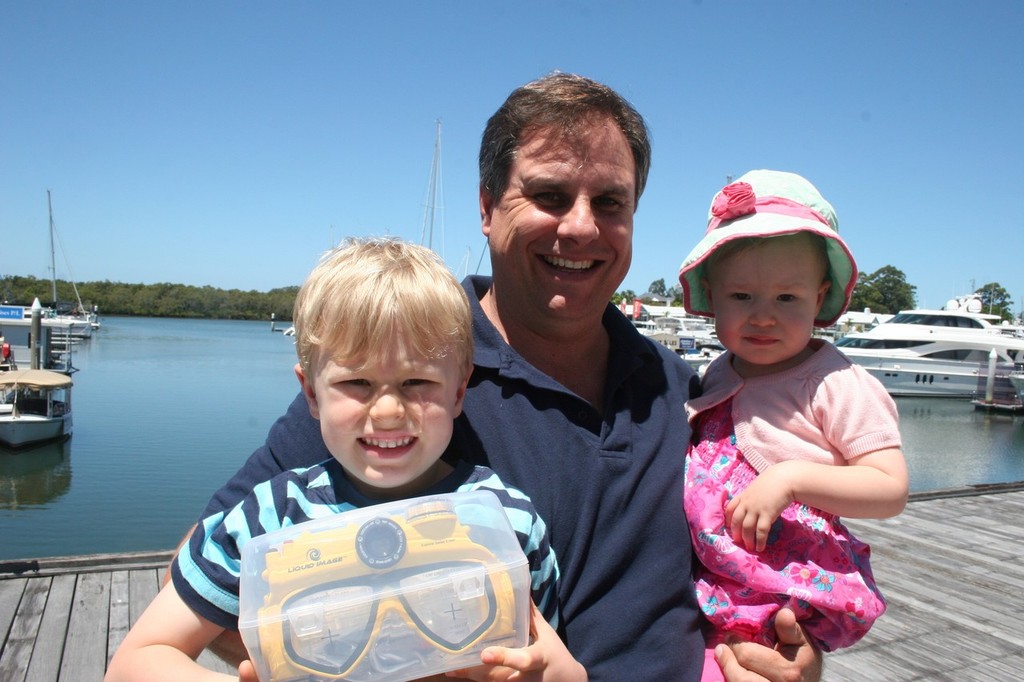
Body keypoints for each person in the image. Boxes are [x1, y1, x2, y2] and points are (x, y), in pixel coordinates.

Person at [174, 74, 823, 681]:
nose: (579, 225)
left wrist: (784, 652)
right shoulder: (406, 377)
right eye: (548, 195)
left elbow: (748, 561)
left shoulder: (690, 392)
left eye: (609, 202)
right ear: (487, 207)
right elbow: (210, 572)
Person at [106, 238, 582, 682]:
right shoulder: (268, 519)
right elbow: (137, 660)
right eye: (358, 384)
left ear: (459, 391)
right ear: (311, 393)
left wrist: (554, 671)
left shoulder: (504, 523)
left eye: (418, 383)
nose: (390, 410)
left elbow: (558, 662)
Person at [677, 170, 909, 681]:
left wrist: (790, 478)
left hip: (778, 586)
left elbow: (890, 488)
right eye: (742, 297)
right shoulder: (717, 370)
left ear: (819, 296)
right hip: (711, 578)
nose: (763, 317)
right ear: (712, 294)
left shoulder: (835, 382)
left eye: (786, 299)